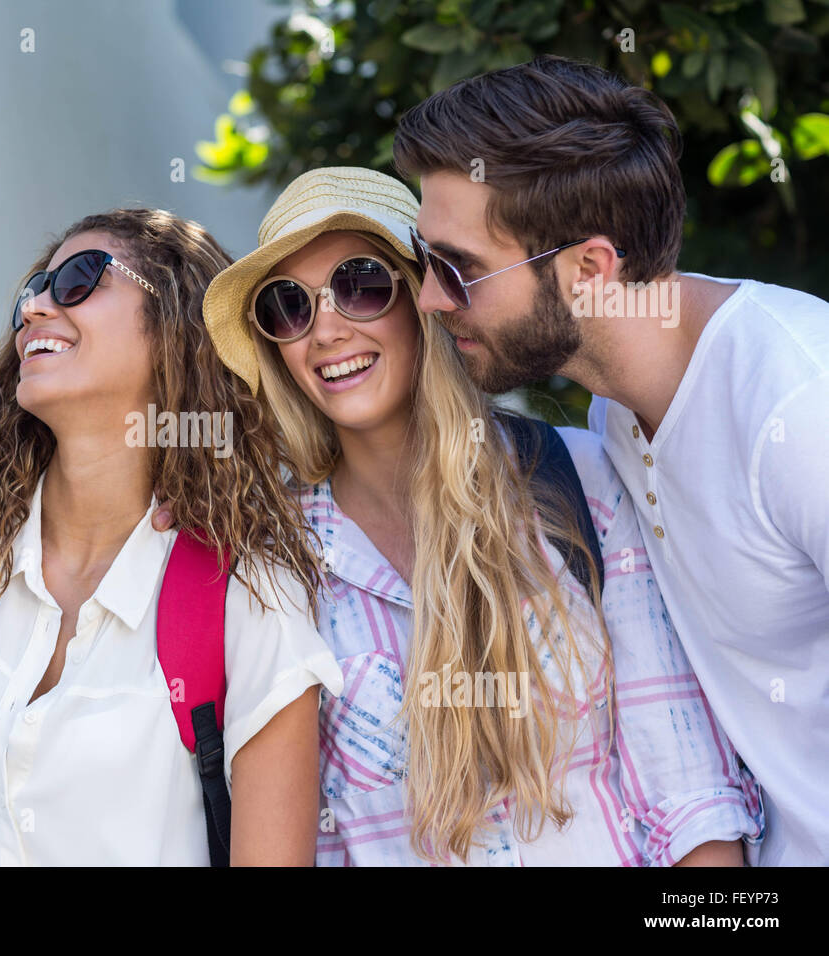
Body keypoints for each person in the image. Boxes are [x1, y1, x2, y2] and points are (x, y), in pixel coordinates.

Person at [192, 165, 761, 865]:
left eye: (360, 285)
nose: (326, 330)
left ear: (424, 299)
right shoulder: (276, 563)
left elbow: (691, 797)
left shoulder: (576, 476)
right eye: (288, 306)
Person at [392, 55, 829, 865]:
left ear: (590, 270)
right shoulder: (616, 412)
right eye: (425, 259)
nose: (428, 297)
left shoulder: (801, 407)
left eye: (460, 269)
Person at [0, 208, 343, 866]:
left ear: (177, 328)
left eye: (80, 279)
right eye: (33, 289)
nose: (37, 307)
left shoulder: (248, 595)